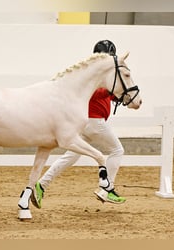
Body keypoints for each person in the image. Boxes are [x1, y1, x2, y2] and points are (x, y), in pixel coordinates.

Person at [32, 40, 126, 209]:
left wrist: (117, 95)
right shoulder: (94, 73)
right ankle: (107, 189)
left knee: (70, 157)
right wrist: (112, 91)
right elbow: (95, 93)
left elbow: (105, 93)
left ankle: (41, 185)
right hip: (93, 121)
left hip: (86, 124)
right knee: (117, 150)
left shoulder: (100, 73)